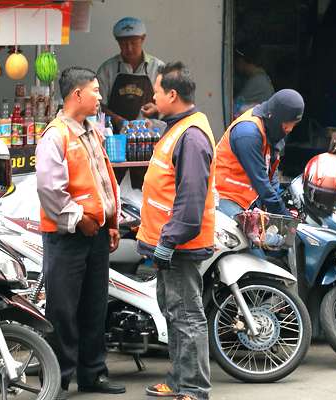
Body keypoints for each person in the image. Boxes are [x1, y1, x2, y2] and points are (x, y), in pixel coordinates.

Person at [36, 66, 125, 400]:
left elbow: (104, 181)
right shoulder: (55, 135)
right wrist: (79, 220)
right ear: (77, 95)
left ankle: (93, 374)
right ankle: (57, 377)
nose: (100, 97)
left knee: (94, 306)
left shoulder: (93, 131)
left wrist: (110, 223)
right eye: (96, 91)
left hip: (97, 233)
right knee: (62, 309)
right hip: (68, 236)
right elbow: (50, 190)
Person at [136, 62, 215, 400]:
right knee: (175, 313)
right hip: (166, 244)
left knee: (187, 317)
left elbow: (191, 199)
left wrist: (168, 241)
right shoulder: (177, 127)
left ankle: (194, 389)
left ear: (172, 94)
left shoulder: (192, 137)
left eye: (156, 91)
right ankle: (178, 380)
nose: (152, 97)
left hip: (180, 246)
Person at [215, 89, 304, 217]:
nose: (289, 130)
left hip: (248, 199)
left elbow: (270, 174)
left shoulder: (271, 129)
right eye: (286, 126)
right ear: (275, 117)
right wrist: (284, 217)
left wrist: (283, 207)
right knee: (247, 233)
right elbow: (261, 183)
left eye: (293, 126)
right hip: (225, 197)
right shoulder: (247, 133)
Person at [96, 17, 166, 129]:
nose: (129, 48)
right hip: (116, 135)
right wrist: (117, 120)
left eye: (133, 43)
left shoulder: (158, 68)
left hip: (151, 134)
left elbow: (171, 102)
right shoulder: (108, 69)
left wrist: (157, 108)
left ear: (143, 39)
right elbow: (98, 105)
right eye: (123, 44)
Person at [233, 43, 275, 117]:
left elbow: (234, 108)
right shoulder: (258, 77)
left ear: (241, 61)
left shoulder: (258, 81)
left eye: (236, 61)